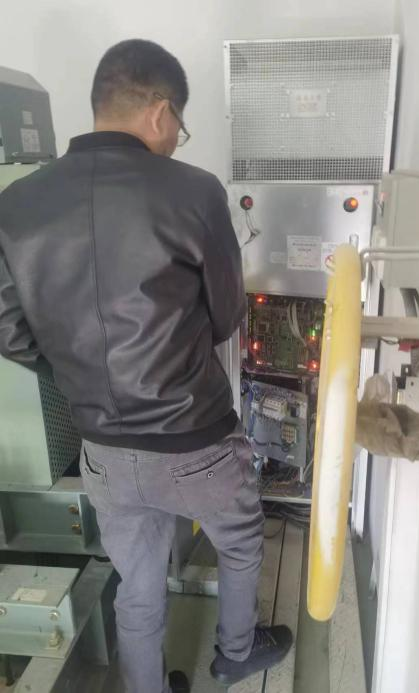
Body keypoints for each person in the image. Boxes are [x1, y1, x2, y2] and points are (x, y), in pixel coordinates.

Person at [0, 39, 292, 693]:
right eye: (178, 128)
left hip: (102, 450)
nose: (175, 142)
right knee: (241, 540)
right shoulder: (193, 191)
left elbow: (10, 330)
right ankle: (236, 654)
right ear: (161, 111)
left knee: (137, 579)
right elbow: (226, 315)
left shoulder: (16, 204)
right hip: (195, 443)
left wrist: (81, 375)